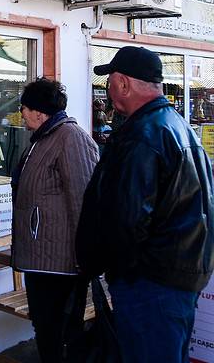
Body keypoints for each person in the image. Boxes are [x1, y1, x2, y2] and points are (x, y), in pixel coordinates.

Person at [77, 46, 214, 363]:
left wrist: (117, 271)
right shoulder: (176, 125)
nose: (108, 91)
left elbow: (126, 219)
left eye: (110, 81)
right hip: (173, 279)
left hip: (152, 286)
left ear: (123, 83)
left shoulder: (145, 135)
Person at [12, 78, 98, 362]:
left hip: (61, 263)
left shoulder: (70, 137)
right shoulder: (42, 138)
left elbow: (85, 201)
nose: (21, 113)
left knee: (59, 333)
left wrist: (84, 258)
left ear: (39, 111)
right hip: (41, 259)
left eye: (23, 107)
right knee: (46, 330)